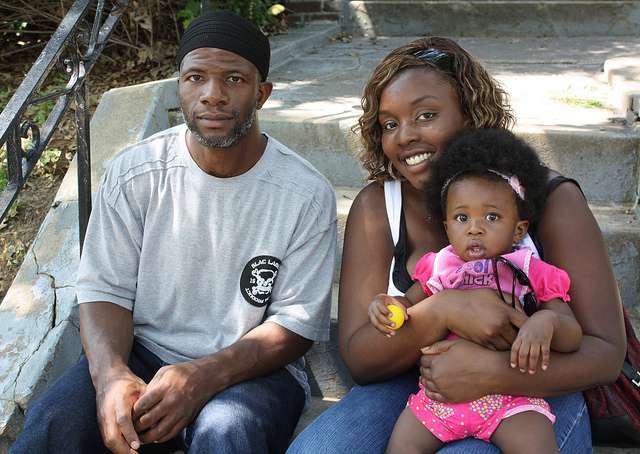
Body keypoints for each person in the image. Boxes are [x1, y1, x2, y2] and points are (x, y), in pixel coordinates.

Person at [10, 10, 337, 454]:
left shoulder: (305, 193)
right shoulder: (134, 174)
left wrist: (204, 375)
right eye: (195, 77)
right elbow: (104, 290)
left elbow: (296, 323)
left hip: (251, 371)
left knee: (228, 435)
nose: (212, 95)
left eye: (234, 80)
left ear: (262, 94)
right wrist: (110, 377)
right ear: (179, 86)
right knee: (54, 424)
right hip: (144, 351)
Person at [287, 36, 625, 454]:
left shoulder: (546, 197)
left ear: (472, 116)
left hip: (538, 388)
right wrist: (445, 309)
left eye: (425, 115)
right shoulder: (379, 207)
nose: (405, 136)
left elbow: (606, 354)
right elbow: (361, 359)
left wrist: (494, 371)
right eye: (390, 123)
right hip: (420, 387)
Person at [368, 129, 582, 453]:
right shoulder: (439, 267)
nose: (475, 227)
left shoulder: (530, 271)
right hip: (439, 400)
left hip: (511, 401)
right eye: (462, 217)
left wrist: (547, 322)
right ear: (447, 227)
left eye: (492, 216)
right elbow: (409, 310)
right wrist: (387, 306)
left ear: (519, 228)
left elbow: (573, 336)